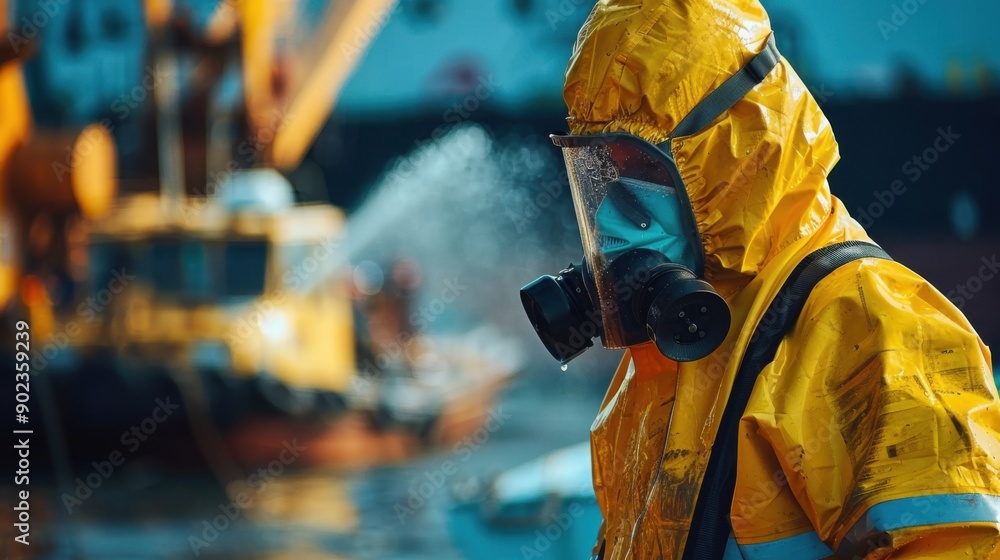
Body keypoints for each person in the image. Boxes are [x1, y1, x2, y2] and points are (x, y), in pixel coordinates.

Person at [520, 1, 1000, 558]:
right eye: (607, 172)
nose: (611, 216)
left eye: (647, 169)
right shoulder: (674, 354)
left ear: (736, 152)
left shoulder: (878, 333)